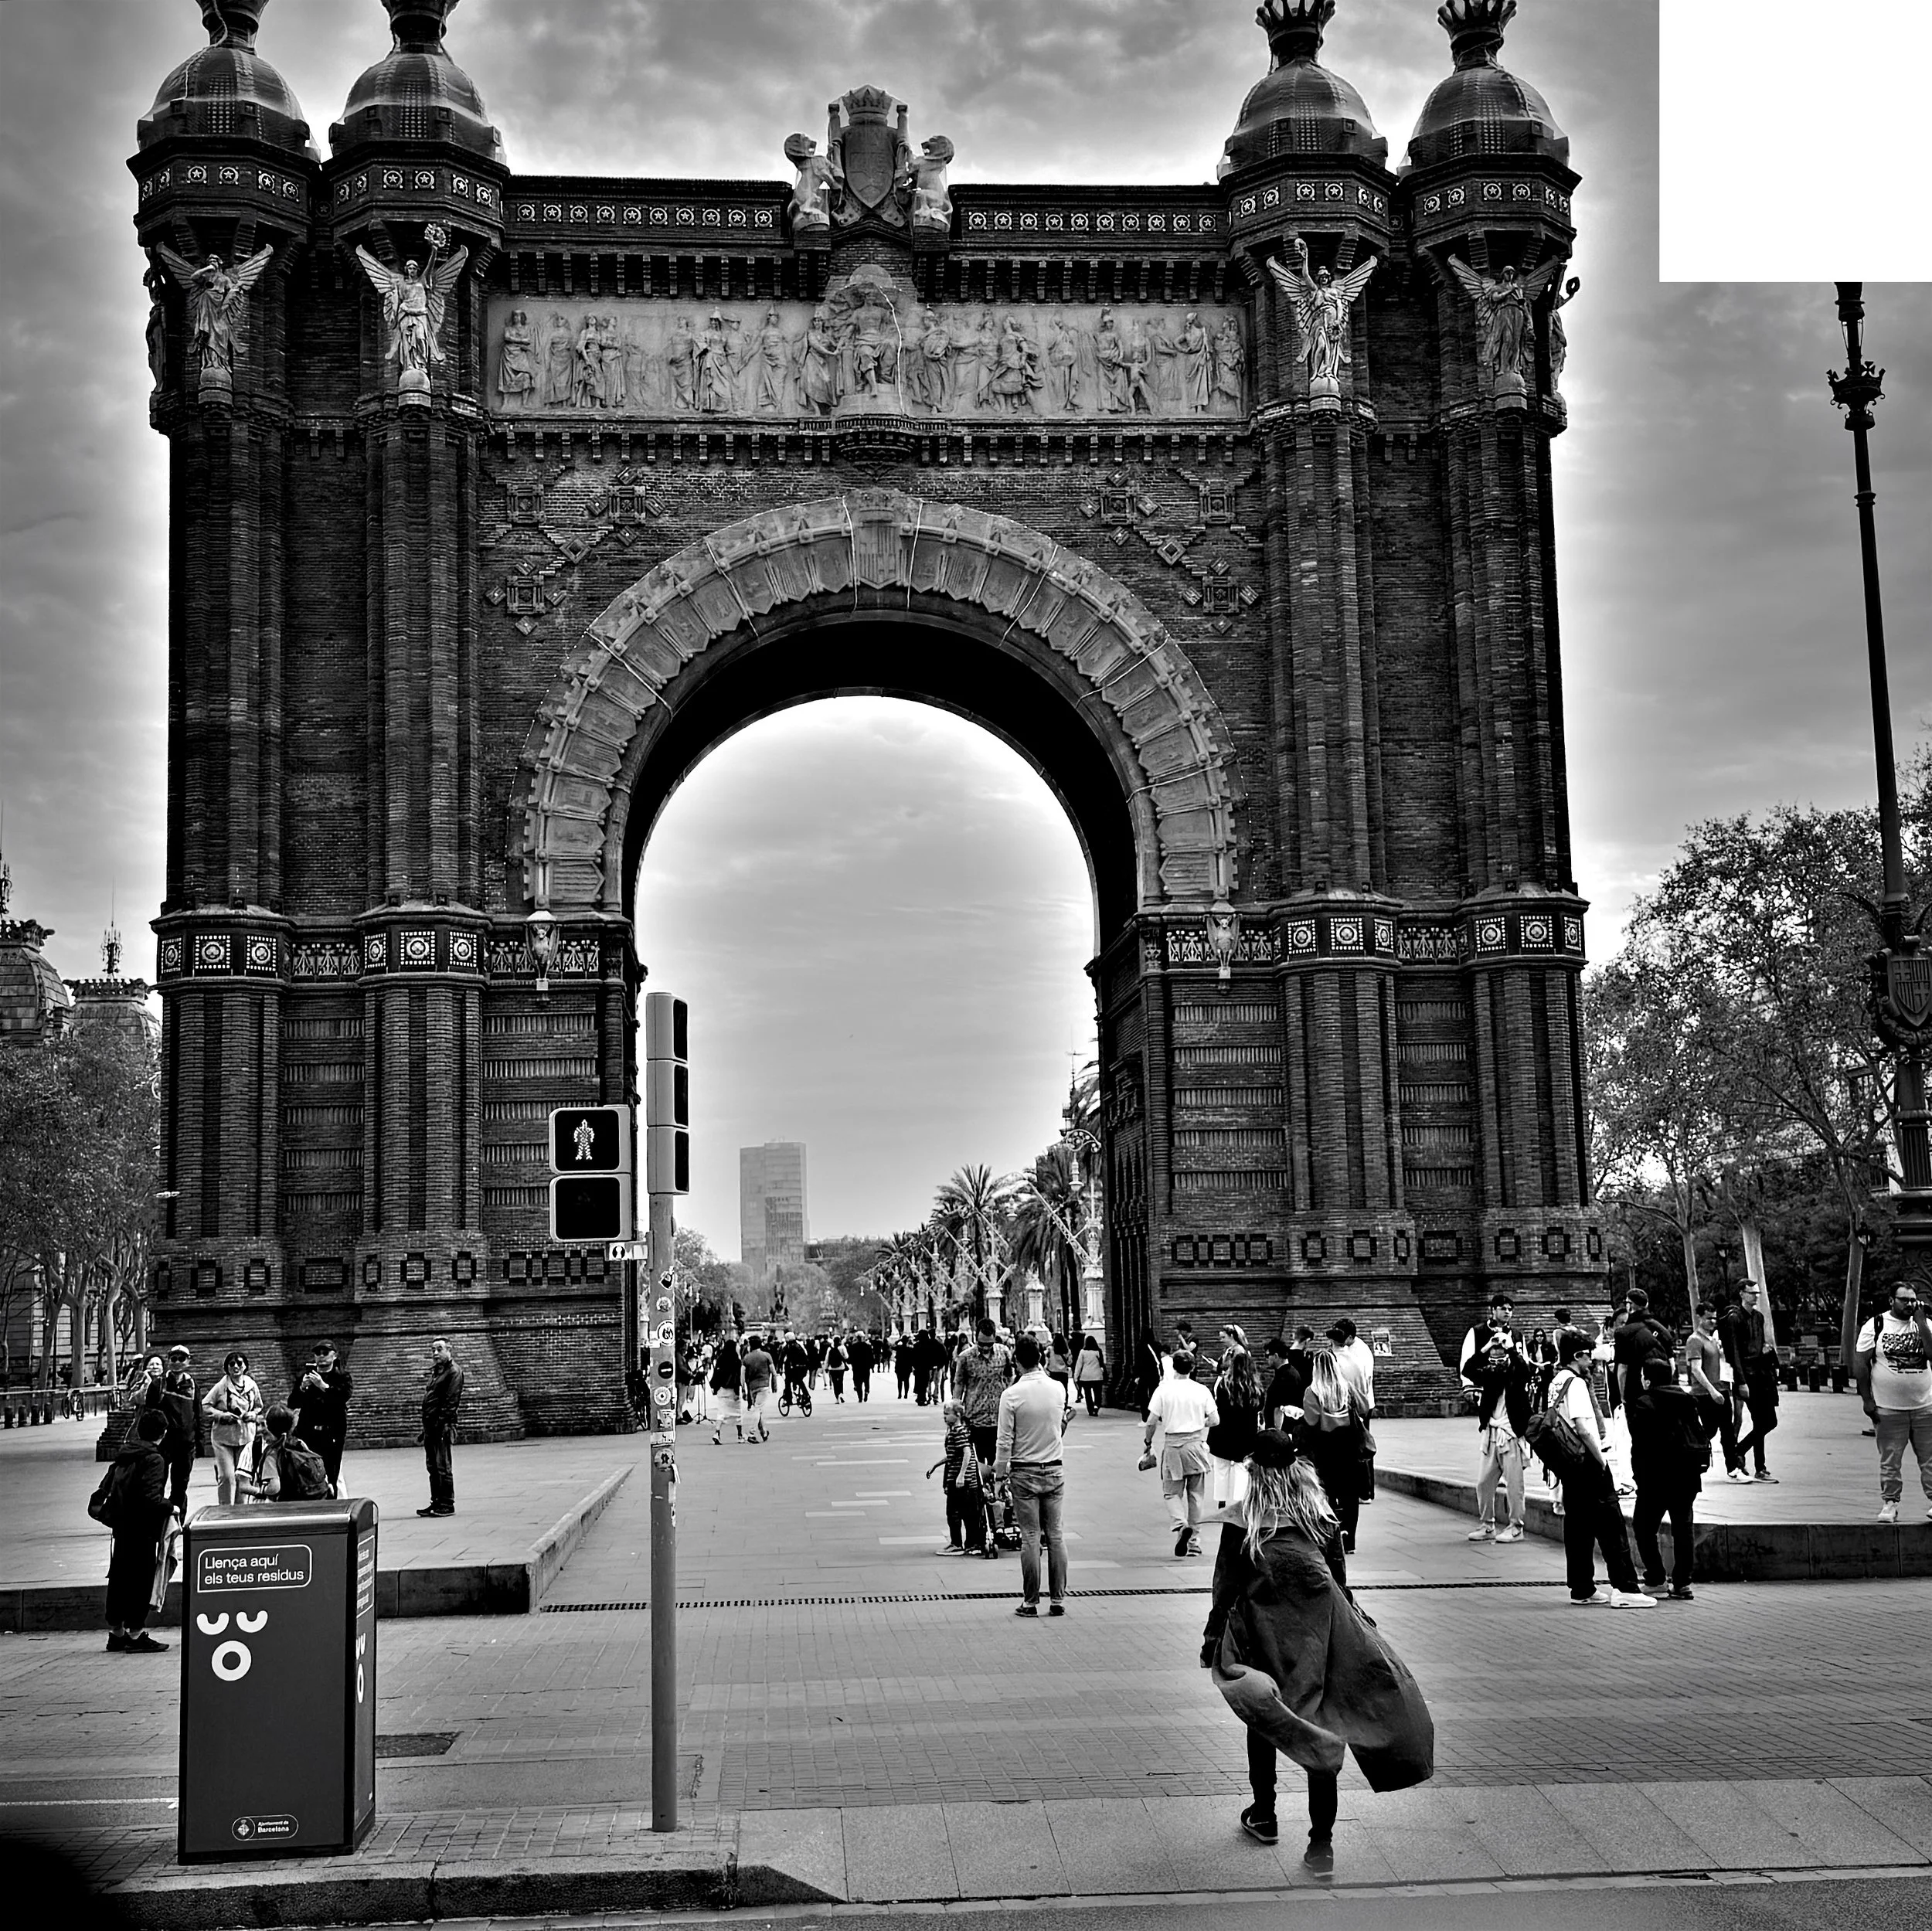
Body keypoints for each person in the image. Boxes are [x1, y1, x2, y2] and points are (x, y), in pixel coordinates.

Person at [1199, 1429, 1434, 1876]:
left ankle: (1264, 1814)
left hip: (1262, 1640)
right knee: (1322, 1729)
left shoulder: (1244, 1523)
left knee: (1262, 1716)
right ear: (1296, 1469)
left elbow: (1225, 1588)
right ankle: (1321, 1845)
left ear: (1255, 1473)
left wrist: (1213, 1640)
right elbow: (1339, 1585)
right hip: (1316, 1643)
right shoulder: (1320, 1518)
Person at [1544, 1333, 1654, 1607]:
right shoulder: (1577, 1384)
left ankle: (1581, 1588)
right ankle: (1625, 1588)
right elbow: (1583, 1427)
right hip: (1587, 1463)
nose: (1592, 1361)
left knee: (1578, 1527)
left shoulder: (1557, 1382)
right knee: (1611, 1525)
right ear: (1577, 1356)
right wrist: (1602, 1462)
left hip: (1568, 1464)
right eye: (1588, 1355)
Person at [995, 1334, 1071, 1616]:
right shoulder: (1058, 1389)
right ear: (1041, 1358)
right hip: (1054, 1467)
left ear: (1017, 1361)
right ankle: (1058, 1600)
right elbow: (1057, 1428)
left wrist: (999, 1475)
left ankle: (1030, 1601)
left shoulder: (1011, 1395)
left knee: (1030, 1536)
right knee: (1056, 1535)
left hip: (1024, 1470)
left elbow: (1004, 1441)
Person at [1625, 1357, 1706, 1599]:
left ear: (1648, 1380)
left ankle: (1657, 1578)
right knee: (1683, 1529)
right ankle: (1682, 1583)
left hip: (1656, 1478)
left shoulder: (1645, 1402)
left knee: (1643, 1527)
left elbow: (1640, 1443)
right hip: (1687, 1475)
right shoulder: (1688, 1399)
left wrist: (1639, 1476)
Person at [1458, 1293, 1534, 1543]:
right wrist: (1485, 1348)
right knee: (1484, 1482)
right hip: (1491, 1431)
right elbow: (1468, 1368)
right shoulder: (1490, 1374)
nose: (1497, 1359)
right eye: (1494, 1355)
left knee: (1514, 1485)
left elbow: (1526, 1369)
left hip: (1510, 1432)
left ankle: (1516, 1526)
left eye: (1501, 1355)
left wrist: (1511, 1348)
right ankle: (1487, 1524)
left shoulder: (1515, 1373)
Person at [100, 1409, 176, 1654]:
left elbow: (106, 1487)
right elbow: (151, 1498)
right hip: (142, 1529)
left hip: (121, 1527)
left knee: (120, 1578)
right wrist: (171, 1507)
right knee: (141, 1580)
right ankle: (136, 1634)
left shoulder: (125, 1454)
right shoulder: (154, 1459)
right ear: (163, 1433)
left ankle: (117, 1633)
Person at [1856, 1281, 1932, 1523]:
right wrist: (1867, 1400)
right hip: (1889, 1408)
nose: (1910, 1304)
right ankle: (1890, 1503)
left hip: (1925, 1407)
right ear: (1891, 1300)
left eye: (1913, 1300)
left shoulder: (1925, 1324)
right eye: (1904, 1300)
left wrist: (1921, 1322)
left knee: (1930, 1458)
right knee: (1890, 1460)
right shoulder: (1876, 1325)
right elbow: (1861, 1364)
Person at [1141, 1350, 1220, 1556]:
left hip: (1173, 1446)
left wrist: (1148, 1442)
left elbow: (1151, 1421)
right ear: (1192, 1368)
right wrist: (1198, 1424)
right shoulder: (1201, 1390)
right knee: (1196, 1495)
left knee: (1171, 1492)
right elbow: (1215, 1420)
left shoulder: (1163, 1390)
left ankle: (1180, 1523)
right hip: (1195, 1444)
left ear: (1173, 1366)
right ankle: (1194, 1542)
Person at [1297, 1346, 1370, 1555]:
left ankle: (1331, 1537)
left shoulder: (1313, 1392)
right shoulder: (1346, 1388)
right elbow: (1364, 1407)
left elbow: (1311, 1420)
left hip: (1324, 1448)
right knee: (1350, 1494)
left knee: (1327, 1492)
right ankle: (1350, 1540)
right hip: (1348, 1446)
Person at [1720, 1282, 1780, 1482]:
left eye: (1757, 1293)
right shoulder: (1734, 1318)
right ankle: (1758, 1466)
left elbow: (1760, 1343)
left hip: (1762, 1374)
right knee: (1762, 1421)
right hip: (1747, 1375)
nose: (1755, 1296)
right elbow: (1734, 1351)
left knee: (1768, 1421)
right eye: (1751, 1293)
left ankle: (1741, 1451)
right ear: (1742, 1294)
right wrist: (1741, 1381)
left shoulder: (1758, 1317)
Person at [1685, 1304, 1743, 1480]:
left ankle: (1733, 1467)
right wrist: (1711, 1390)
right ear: (1700, 1318)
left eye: (1714, 1318)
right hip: (1704, 1393)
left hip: (1721, 1389)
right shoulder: (1695, 1340)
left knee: (1727, 1430)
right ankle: (1691, 1462)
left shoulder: (1714, 1340)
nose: (1712, 1321)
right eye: (1709, 1318)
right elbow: (1696, 1369)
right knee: (1709, 1431)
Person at [200, 1351, 264, 1508]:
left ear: (245, 1366)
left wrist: (253, 1415)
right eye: (232, 1364)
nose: (236, 1367)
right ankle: (225, 1509)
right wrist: (221, 1415)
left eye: (239, 1363)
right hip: (224, 1439)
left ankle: (240, 1509)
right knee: (227, 1476)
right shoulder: (221, 1386)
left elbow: (258, 1406)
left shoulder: (251, 1385)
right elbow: (205, 1406)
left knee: (243, 1476)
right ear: (227, 1367)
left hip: (246, 1437)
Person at [925, 1398, 988, 1555]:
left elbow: (967, 1453)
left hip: (962, 1481)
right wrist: (936, 1465)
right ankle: (966, 1543)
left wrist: (961, 1475)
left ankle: (958, 1544)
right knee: (964, 1512)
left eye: (947, 1414)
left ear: (958, 1415)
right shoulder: (958, 1431)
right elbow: (954, 1455)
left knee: (954, 1512)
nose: (945, 1417)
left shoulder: (958, 1432)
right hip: (964, 1479)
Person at [291, 1341, 352, 1496]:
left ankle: (332, 1503)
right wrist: (302, 1387)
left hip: (331, 1434)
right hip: (307, 1433)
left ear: (334, 1356)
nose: (321, 1356)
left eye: (325, 1353)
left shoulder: (342, 1377)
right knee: (308, 1473)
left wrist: (323, 1386)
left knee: (332, 1475)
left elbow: (342, 1397)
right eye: (318, 1353)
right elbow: (292, 1403)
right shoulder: (305, 1377)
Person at [144, 1345, 199, 1517]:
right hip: (163, 1443)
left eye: (181, 1359)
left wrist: (199, 1440)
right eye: (174, 1359)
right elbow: (149, 1413)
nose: (177, 1362)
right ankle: (157, 1519)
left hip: (186, 1444)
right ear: (169, 1361)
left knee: (180, 1486)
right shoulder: (158, 1384)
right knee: (157, 1483)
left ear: (188, 1361)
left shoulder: (192, 1385)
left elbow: (198, 1413)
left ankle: (177, 1520)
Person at [952, 1318, 1015, 1468]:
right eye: (981, 1344)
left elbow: (1010, 1379)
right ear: (976, 1338)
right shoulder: (965, 1357)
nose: (985, 1348)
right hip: (975, 1420)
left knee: (998, 1466)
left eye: (989, 1344)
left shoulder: (1004, 1353)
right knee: (977, 1467)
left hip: (999, 1419)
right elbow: (959, 1384)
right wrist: (955, 1410)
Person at [1209, 1343, 1264, 1509]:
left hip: (1223, 1431)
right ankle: (1240, 1503)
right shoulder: (1256, 1389)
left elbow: (1218, 1405)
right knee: (1242, 1470)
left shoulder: (1223, 1386)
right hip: (1245, 1433)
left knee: (1221, 1469)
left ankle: (1221, 1501)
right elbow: (1260, 1408)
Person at [417, 1338, 464, 1518]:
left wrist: (441, 1423)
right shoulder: (437, 1371)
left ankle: (447, 1503)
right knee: (432, 1466)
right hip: (430, 1425)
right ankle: (436, 1501)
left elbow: (451, 1401)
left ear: (449, 1350)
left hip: (442, 1426)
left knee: (443, 1466)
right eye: (433, 1350)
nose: (435, 1353)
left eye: (439, 1349)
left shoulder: (454, 1372)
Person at [247, 1404, 331, 1501]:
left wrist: (260, 1490)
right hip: (312, 1499)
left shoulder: (272, 1454)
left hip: (286, 1504)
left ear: (268, 1427)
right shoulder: (299, 1444)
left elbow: (274, 1488)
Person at [1611, 1289, 1675, 1405]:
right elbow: (1672, 1366)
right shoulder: (1663, 1331)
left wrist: (1622, 1397)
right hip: (1662, 1392)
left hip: (1635, 1392)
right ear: (1647, 1304)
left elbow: (1623, 1369)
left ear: (1630, 1305)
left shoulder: (1624, 1333)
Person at [1327, 1317, 1376, 1415]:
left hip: (1360, 1403)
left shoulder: (1361, 1352)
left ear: (1349, 1337)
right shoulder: (1343, 1347)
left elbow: (1365, 1380)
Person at [709, 1330, 747, 1444]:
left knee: (721, 1413)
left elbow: (716, 1374)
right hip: (733, 1390)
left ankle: (717, 1433)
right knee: (738, 1414)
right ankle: (740, 1436)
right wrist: (742, 1390)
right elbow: (739, 1377)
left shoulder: (720, 1359)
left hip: (721, 1390)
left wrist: (715, 1387)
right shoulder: (737, 1361)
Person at [1262, 1337, 1306, 1430]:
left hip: (1282, 1431)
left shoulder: (1285, 1377)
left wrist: (1277, 1432)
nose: (1266, 1359)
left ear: (1276, 1356)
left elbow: (1280, 1408)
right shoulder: (1287, 1373)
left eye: (1267, 1356)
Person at [740, 1331, 775, 1442]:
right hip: (764, 1385)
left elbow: (742, 1375)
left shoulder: (746, 1358)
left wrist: (743, 1389)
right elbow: (773, 1372)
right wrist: (774, 1385)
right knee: (758, 1409)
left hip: (752, 1387)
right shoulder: (766, 1356)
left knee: (757, 1408)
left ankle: (763, 1432)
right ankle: (752, 1433)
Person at [1073, 1332, 1106, 1417]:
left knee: (1088, 1395)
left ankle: (1090, 1410)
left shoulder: (1083, 1352)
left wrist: (1076, 1376)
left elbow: (1079, 1365)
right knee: (1098, 1394)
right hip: (1097, 1376)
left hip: (1085, 1376)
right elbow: (1102, 1364)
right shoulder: (1098, 1351)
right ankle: (1096, 1407)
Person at [848, 1330, 875, 1402]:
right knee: (866, 1381)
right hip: (866, 1367)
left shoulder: (854, 1346)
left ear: (857, 1338)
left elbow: (850, 1357)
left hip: (857, 1367)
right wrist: (872, 1366)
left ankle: (860, 1397)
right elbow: (871, 1357)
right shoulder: (868, 1346)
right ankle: (866, 1392)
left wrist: (850, 1362)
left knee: (858, 1382)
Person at [825, 1334, 849, 1403]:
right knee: (840, 1382)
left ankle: (837, 1398)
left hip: (832, 1368)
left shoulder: (830, 1348)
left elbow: (827, 1359)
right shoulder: (842, 1348)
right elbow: (846, 1357)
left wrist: (826, 1367)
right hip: (841, 1367)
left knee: (835, 1383)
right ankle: (841, 1393)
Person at [894, 1332, 916, 1401]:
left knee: (899, 1381)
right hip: (907, 1366)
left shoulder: (899, 1348)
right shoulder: (909, 1349)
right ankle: (906, 1394)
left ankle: (899, 1394)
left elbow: (893, 1345)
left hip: (899, 1366)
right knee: (906, 1381)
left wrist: (899, 1340)